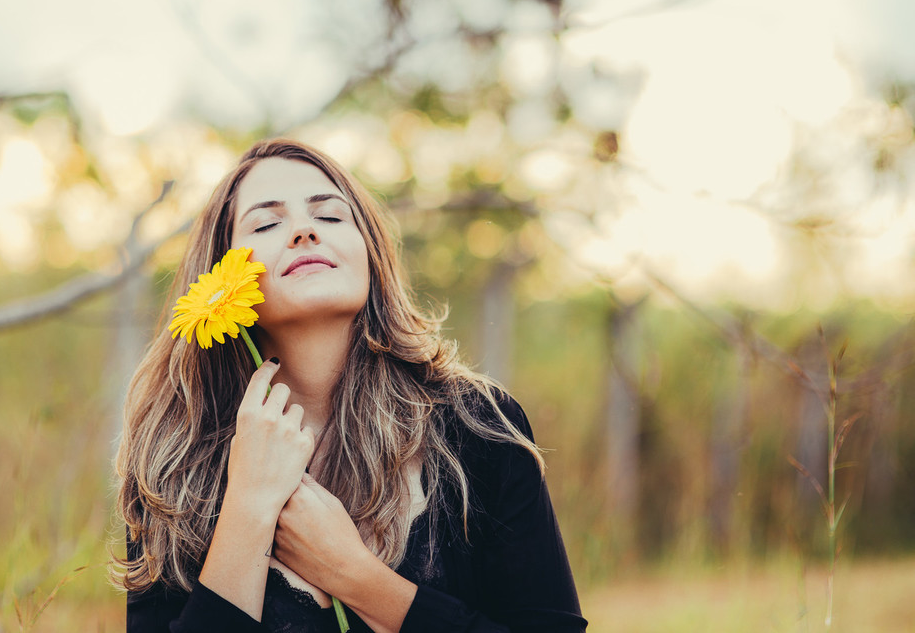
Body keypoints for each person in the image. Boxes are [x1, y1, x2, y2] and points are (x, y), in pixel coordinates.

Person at [113, 138, 587, 633]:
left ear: (369, 253)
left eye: (331, 216)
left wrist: (356, 577)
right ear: (217, 277)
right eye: (267, 223)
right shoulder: (171, 463)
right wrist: (248, 506)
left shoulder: (479, 426)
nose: (303, 231)